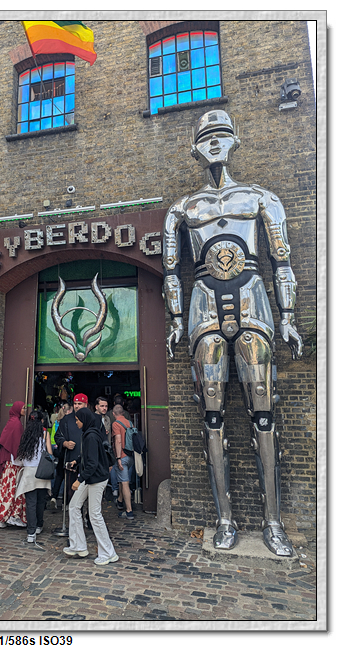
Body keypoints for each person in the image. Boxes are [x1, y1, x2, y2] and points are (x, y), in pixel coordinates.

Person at [162, 109, 303, 556]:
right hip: (204, 300)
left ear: (234, 140)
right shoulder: (183, 209)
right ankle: (225, 518)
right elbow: (171, 272)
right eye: (207, 136)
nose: (215, 142)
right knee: (211, 412)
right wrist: (176, 321)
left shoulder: (262, 198)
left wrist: (288, 317)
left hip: (252, 295)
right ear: (195, 148)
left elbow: (282, 261)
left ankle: (273, 522)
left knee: (264, 410)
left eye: (222, 134)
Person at [63, 407, 119, 566]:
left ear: (85, 420)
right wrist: (77, 461)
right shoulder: (90, 434)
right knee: (74, 506)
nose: (76, 422)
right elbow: (88, 456)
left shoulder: (91, 436)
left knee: (94, 514)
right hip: (91, 477)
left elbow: (93, 463)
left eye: (78, 420)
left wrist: (79, 480)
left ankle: (108, 553)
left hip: (96, 479)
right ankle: (78, 546)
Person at [15, 410, 53, 543]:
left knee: (30, 503)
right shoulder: (45, 434)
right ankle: (39, 525)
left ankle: (31, 533)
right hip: (42, 470)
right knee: (41, 500)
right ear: (42, 421)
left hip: (28, 472)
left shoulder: (26, 435)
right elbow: (49, 453)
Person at [0, 401, 27, 528]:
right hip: (12, 463)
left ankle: (2, 516)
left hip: (7, 460)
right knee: (12, 488)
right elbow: (16, 445)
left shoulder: (11, 422)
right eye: (23, 408)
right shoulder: (16, 424)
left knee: (5, 488)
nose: (24, 410)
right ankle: (10, 515)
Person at [54, 402, 82, 507]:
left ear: (86, 404)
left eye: (80, 403)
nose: (77, 406)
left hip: (88, 462)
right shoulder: (66, 419)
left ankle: (88, 515)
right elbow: (58, 436)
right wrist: (65, 443)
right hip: (71, 460)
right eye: (75, 403)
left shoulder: (93, 419)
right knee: (71, 490)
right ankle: (71, 509)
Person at [112, 404, 134, 520]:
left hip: (122, 456)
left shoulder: (116, 424)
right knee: (122, 479)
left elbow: (118, 440)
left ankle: (129, 511)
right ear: (123, 413)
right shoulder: (129, 423)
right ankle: (120, 501)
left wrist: (118, 458)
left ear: (113, 414)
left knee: (125, 483)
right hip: (130, 455)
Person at [93, 396, 117, 498]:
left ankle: (103, 494)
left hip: (105, 449)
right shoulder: (92, 418)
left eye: (106, 406)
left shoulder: (107, 419)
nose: (104, 408)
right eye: (102, 406)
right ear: (96, 407)